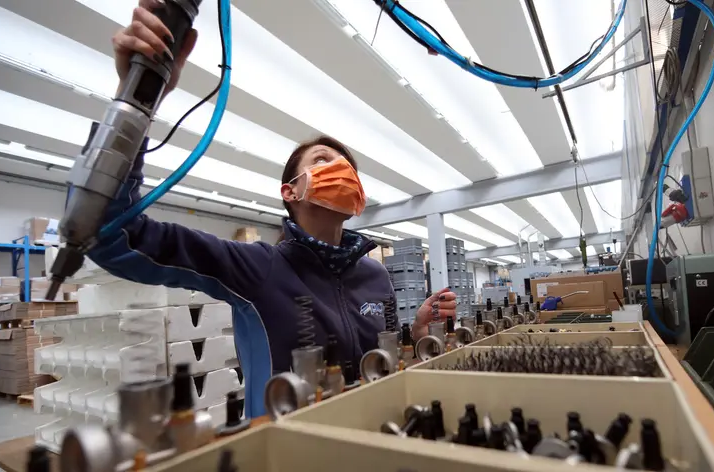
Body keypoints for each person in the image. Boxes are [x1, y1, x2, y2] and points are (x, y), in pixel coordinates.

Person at [86, 1, 458, 418]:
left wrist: (419, 333)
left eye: (347, 168)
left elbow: (386, 366)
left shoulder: (376, 276)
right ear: (290, 191)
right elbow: (111, 236)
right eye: (322, 162)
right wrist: (136, 99)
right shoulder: (256, 268)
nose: (340, 171)